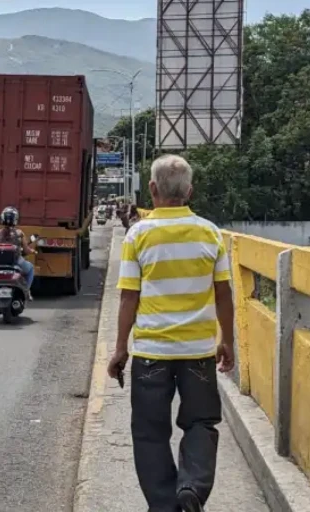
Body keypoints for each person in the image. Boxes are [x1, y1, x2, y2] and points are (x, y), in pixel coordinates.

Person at [107, 154, 235, 512]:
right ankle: (191, 488)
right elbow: (224, 294)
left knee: (149, 433)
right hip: (197, 352)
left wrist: (120, 348)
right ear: (189, 191)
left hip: (151, 354)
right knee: (201, 423)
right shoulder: (210, 233)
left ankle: (164, 505)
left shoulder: (138, 235)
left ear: (152, 189)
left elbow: (128, 297)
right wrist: (228, 341)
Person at [0, 206, 36, 300]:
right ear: (15, 219)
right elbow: (26, 250)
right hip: (16, 261)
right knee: (30, 269)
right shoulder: (19, 233)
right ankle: (26, 290)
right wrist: (32, 251)